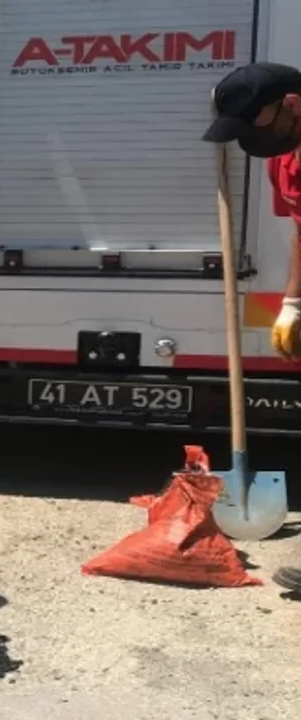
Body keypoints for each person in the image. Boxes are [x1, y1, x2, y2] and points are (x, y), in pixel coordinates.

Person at [203, 61, 301, 597]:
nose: (251, 137)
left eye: (253, 123)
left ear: (290, 104)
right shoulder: (284, 157)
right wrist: (293, 302)